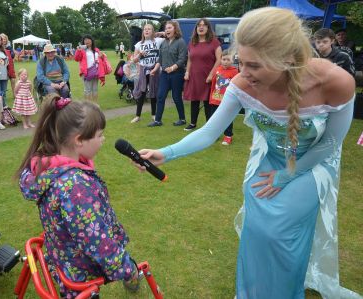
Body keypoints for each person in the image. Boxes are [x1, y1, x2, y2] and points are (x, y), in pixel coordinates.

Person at [133, 7, 360, 299]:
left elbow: (330, 145)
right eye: (241, 62)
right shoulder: (242, 84)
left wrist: (285, 175)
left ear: (288, 59)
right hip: (269, 160)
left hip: (313, 165)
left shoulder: (336, 82)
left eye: (254, 65)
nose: (243, 73)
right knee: (257, 232)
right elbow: (209, 132)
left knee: (281, 232)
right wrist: (165, 153)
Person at [16, 94, 141, 298]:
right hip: (79, 271)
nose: (103, 139)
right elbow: (97, 242)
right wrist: (127, 269)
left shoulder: (49, 167)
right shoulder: (75, 188)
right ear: (79, 141)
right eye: (100, 135)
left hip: (62, 256)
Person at [183, 18, 222, 131]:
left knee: (207, 102)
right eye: (199, 25)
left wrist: (211, 75)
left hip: (208, 77)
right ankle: (193, 123)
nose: (201, 27)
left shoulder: (214, 42)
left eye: (204, 25)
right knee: (194, 100)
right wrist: (187, 72)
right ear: (196, 28)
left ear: (208, 28)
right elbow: (190, 60)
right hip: (194, 76)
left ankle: (209, 126)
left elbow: (219, 59)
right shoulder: (192, 43)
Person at [148, 21, 187, 127]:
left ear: (175, 29)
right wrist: (155, 69)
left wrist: (173, 67)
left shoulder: (181, 42)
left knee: (176, 97)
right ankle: (158, 121)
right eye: (166, 28)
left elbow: (182, 59)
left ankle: (182, 119)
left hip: (177, 74)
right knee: (160, 96)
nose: (167, 30)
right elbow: (160, 59)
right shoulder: (164, 43)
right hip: (164, 74)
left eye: (169, 28)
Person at [130, 24, 164, 123]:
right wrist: (140, 54)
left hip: (155, 70)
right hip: (143, 70)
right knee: (142, 92)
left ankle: (153, 114)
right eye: (145, 29)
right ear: (143, 32)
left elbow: (169, 35)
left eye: (149, 29)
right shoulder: (139, 44)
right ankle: (137, 116)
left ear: (152, 31)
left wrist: (158, 33)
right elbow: (134, 60)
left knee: (153, 92)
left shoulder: (158, 41)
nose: (147, 31)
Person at [209, 49, 238, 145]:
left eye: (228, 60)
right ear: (220, 59)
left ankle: (228, 136)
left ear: (232, 60)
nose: (225, 62)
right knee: (215, 118)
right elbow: (213, 85)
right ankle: (215, 135)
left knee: (227, 118)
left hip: (227, 101)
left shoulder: (235, 72)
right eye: (223, 59)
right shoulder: (217, 70)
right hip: (215, 99)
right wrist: (211, 98)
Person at [75, 34, 107, 103]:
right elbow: (77, 59)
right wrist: (78, 50)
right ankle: (87, 106)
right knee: (87, 90)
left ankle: (95, 105)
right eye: (85, 40)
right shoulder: (82, 50)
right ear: (83, 42)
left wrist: (102, 56)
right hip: (86, 73)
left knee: (95, 89)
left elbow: (101, 60)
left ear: (92, 41)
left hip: (95, 72)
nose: (87, 41)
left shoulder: (96, 50)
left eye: (88, 39)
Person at [0, 33, 9, 107]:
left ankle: (5, 110)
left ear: (1, 41)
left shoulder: (4, 52)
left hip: (4, 76)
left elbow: (7, 64)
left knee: (4, 93)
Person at [0, 33, 16, 98]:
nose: (4, 40)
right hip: (2, 67)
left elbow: (12, 55)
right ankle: (3, 95)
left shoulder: (9, 47)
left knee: (13, 80)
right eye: (2, 39)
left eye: (5, 39)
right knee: (4, 81)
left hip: (10, 66)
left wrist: (10, 53)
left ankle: (14, 94)